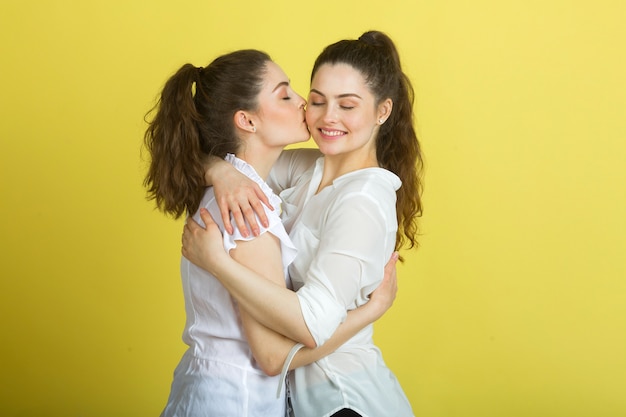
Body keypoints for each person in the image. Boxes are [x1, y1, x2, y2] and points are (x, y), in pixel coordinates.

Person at [143, 49, 399, 417]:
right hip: (240, 396)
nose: (316, 113)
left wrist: (218, 258)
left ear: (382, 111)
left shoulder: (353, 200)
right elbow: (201, 155)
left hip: (339, 399)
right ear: (246, 120)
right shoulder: (257, 192)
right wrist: (219, 170)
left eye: (348, 105)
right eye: (312, 99)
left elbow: (297, 335)